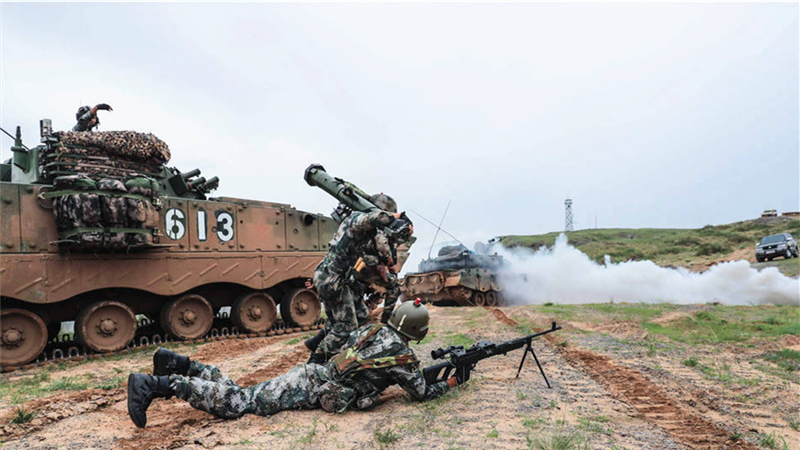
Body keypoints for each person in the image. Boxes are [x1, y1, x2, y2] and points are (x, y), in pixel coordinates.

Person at [127, 300, 461, 428]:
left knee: (244, 393)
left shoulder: (371, 329)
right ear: (417, 331)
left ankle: (178, 363)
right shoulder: (403, 359)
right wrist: (451, 382)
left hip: (312, 375)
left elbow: (335, 345)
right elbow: (420, 392)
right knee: (240, 403)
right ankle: (159, 384)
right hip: (312, 385)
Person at [308, 193, 411, 364]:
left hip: (339, 279)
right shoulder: (357, 219)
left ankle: (324, 349)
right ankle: (314, 365)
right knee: (346, 327)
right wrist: (399, 217)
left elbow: (382, 244)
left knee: (361, 315)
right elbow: (378, 219)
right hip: (332, 280)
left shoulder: (368, 232)